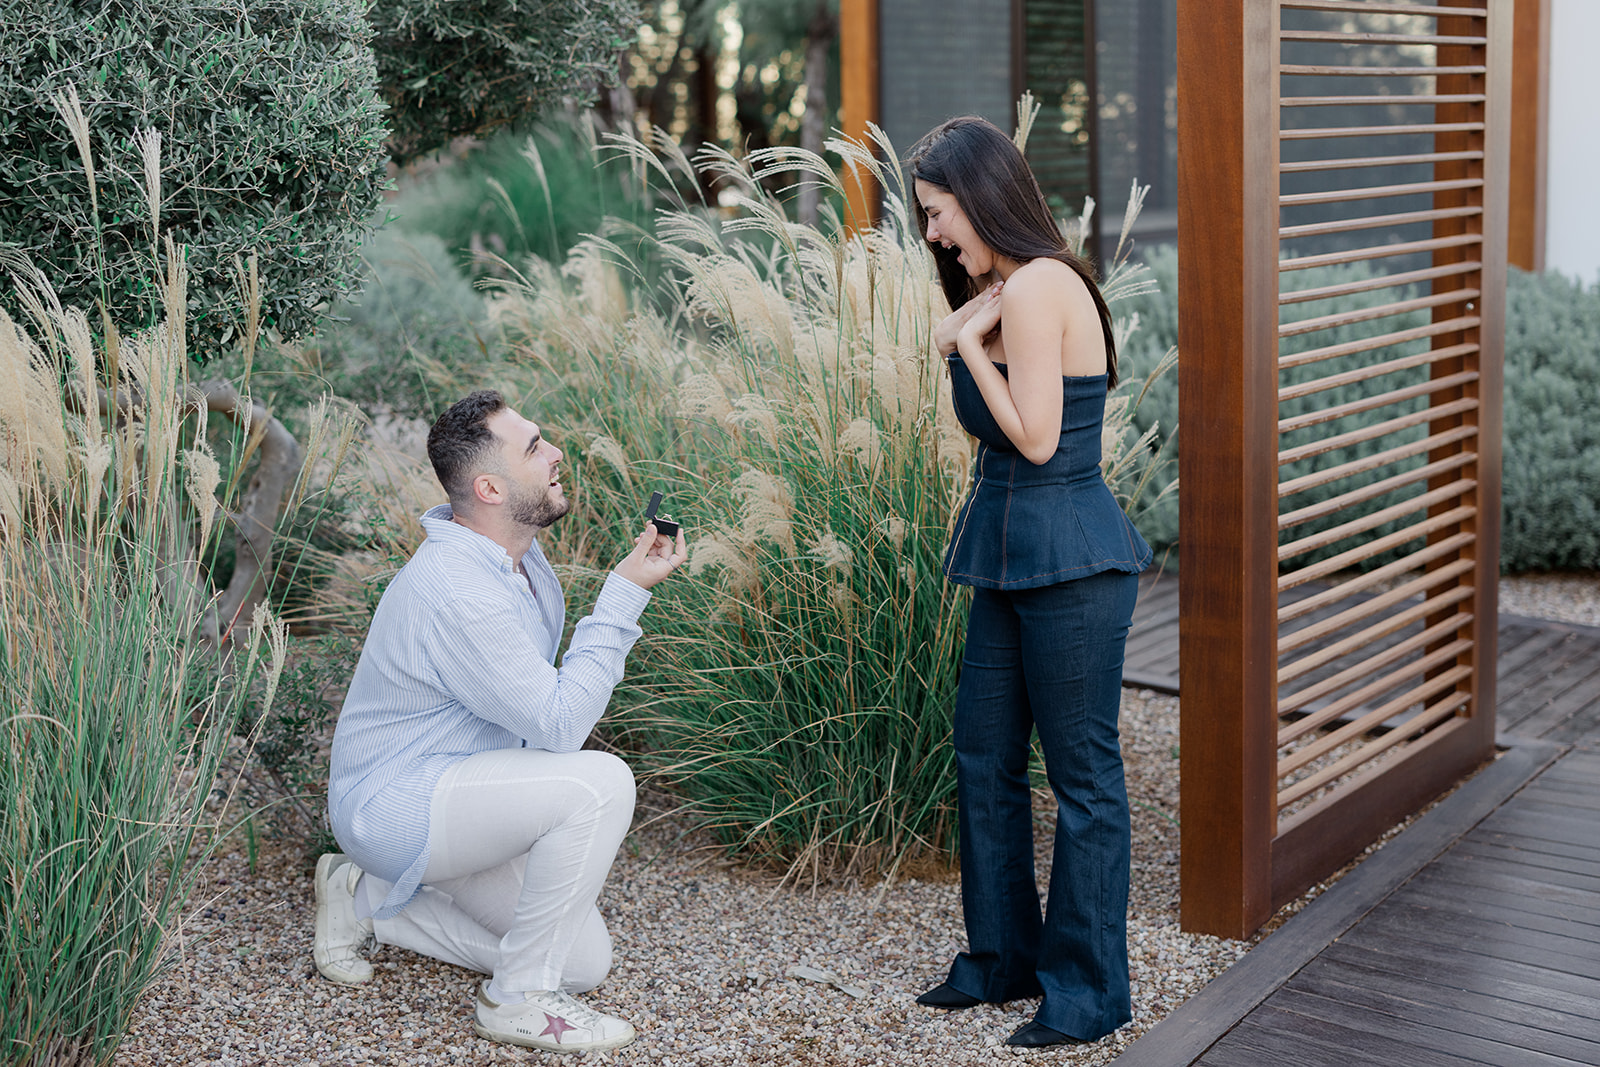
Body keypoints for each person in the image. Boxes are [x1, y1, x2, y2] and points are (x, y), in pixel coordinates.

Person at [315, 389, 685, 1053]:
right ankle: (517, 1000)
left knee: (583, 964)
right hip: (397, 804)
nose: (557, 453)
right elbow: (559, 722)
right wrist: (624, 594)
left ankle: (364, 896)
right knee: (600, 782)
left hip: (459, 792)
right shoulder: (458, 589)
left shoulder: (521, 562)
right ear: (489, 486)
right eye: (535, 447)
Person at [906, 116, 1151, 1047]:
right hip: (1005, 555)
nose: (933, 234)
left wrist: (964, 344)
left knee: (1083, 779)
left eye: (938, 214)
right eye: (927, 218)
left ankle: (1086, 991)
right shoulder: (999, 289)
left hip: (1075, 561)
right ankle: (1001, 957)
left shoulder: (1043, 286)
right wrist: (970, 324)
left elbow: (1042, 439)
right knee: (983, 757)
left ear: (982, 196)